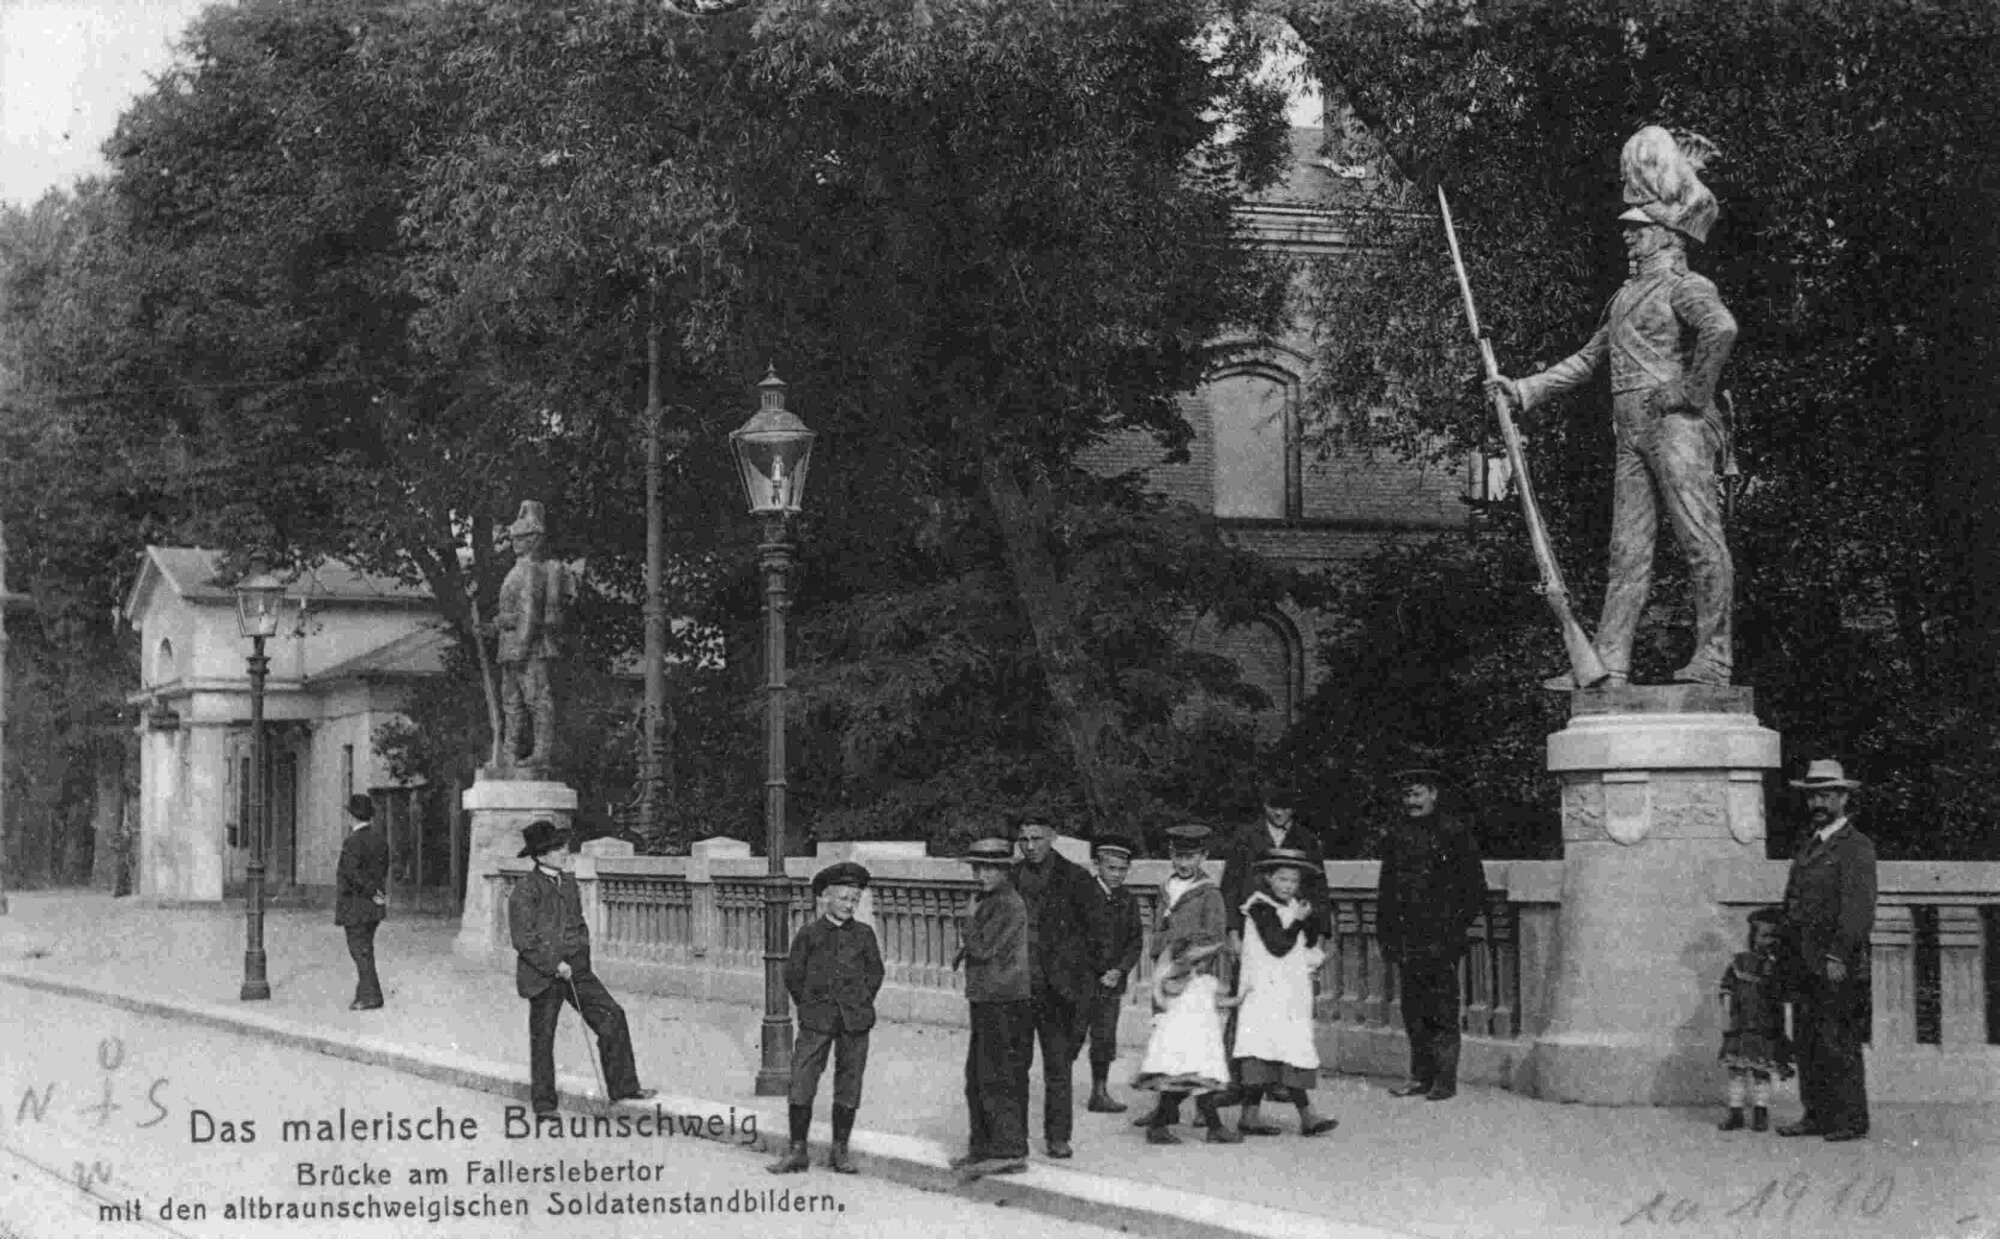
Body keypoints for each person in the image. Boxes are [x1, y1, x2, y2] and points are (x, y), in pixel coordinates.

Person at [1489, 126, 1738, 690]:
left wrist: (1692, 392)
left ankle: (1715, 656)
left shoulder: (1686, 286)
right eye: (1630, 232)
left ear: (1668, 236)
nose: (1629, 240)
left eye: (1640, 231)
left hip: (1677, 428)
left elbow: (1721, 329)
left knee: (1700, 542)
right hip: (1630, 431)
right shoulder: (1624, 297)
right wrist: (1523, 390)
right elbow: (1586, 359)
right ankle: (1608, 662)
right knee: (1626, 553)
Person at [508, 819, 657, 1116]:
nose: (565, 851)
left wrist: (578, 959)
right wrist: (554, 964)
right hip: (542, 975)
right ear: (540, 856)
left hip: (576, 970)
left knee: (612, 1015)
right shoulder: (525, 891)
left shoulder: (569, 882)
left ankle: (624, 1087)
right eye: (557, 848)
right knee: (543, 1037)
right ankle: (544, 1104)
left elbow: (577, 924)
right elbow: (524, 940)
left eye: (563, 846)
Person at [1777, 760, 1877, 1142]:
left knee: (1840, 1039)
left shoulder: (1856, 846)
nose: (1817, 802)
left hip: (1837, 963)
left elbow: (1858, 910)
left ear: (1843, 798)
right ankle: (1815, 1115)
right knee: (1807, 1039)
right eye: (1812, 796)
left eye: (1826, 795)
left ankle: (1850, 1120)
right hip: (1802, 960)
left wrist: (1838, 955)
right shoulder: (1809, 845)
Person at [1376, 767, 1487, 1101]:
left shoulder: (1454, 833)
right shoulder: (1397, 835)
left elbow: (1474, 888)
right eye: (1408, 795)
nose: (1412, 801)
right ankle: (1419, 1076)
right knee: (1414, 1010)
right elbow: (1387, 889)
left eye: (1418, 794)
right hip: (1407, 938)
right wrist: (1387, 936)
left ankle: (1444, 1080)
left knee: (1442, 1009)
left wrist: (1453, 928)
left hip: (1441, 939)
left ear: (1433, 794)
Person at [769, 862, 884, 1175]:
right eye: (843, 898)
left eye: (854, 900)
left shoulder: (864, 934)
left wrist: (858, 1003)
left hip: (855, 1020)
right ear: (826, 898)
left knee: (850, 1082)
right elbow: (793, 975)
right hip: (817, 1019)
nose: (848, 905)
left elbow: (875, 974)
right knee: (802, 1079)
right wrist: (810, 1007)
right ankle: (797, 1151)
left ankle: (840, 1151)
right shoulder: (810, 934)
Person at [1134, 824, 1243, 1145]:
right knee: (1181, 1050)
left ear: (1204, 857)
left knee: (1194, 1051)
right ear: (1171, 856)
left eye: (1191, 857)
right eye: (1179, 857)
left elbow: (1215, 937)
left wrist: (1185, 958)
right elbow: (1157, 932)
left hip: (1193, 981)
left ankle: (1184, 1119)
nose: (1184, 864)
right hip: (1167, 979)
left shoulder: (1209, 893)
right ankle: (1194, 1121)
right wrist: (1163, 955)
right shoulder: (1166, 888)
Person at [1011, 817, 1108, 1159]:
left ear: (1053, 837)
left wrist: (1079, 979)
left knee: (1058, 1067)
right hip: (1019, 990)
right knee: (1014, 1067)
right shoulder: (1011, 877)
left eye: (1037, 837)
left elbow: (1097, 934)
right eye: (1023, 839)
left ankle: (1058, 1137)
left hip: (1058, 992)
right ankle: (1014, 1137)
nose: (1030, 845)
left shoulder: (1076, 878)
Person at [1232, 849, 1338, 1137]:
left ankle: (1303, 1116)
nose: (1288, 886)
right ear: (1268, 878)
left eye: (1293, 880)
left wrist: (1314, 956)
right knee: (1262, 1052)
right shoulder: (1259, 906)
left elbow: (1296, 950)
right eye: (1282, 879)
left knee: (1290, 1048)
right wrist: (1301, 920)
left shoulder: (1295, 905)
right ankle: (1264, 1115)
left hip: (1288, 992)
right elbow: (1278, 943)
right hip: (1264, 991)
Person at [953, 837, 1034, 1179]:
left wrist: (969, 922)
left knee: (997, 1075)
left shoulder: (1007, 904)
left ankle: (1008, 1149)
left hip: (1004, 1001)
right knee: (978, 1075)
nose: (980, 874)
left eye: (989, 868)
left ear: (1004, 870)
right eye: (977, 867)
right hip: (990, 998)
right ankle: (983, 1146)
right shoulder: (993, 899)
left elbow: (984, 949)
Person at [493, 500, 574, 772]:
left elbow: (529, 614)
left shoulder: (529, 571)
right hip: (511, 646)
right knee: (511, 703)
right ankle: (508, 755)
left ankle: (541, 754)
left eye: (523, 537)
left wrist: (520, 647)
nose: (516, 541)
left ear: (536, 539)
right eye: (515, 536)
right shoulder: (518, 569)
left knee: (536, 701)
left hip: (527, 648)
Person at [1717, 907, 1795, 1133]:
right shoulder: (1740, 962)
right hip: (1741, 1025)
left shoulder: (1780, 966)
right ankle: (1736, 1112)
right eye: (1764, 935)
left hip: (1766, 1026)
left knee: (1762, 1071)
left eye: (1774, 936)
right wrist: (1728, 1014)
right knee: (1737, 1071)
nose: (1769, 941)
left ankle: (1761, 1112)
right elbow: (1727, 989)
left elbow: (1785, 997)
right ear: (1753, 937)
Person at [1085, 835, 1143, 1114]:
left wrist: (1119, 970)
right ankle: (1056, 1088)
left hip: (1111, 983)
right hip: (1081, 981)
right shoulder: (1082, 896)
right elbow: (1072, 938)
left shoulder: (1128, 900)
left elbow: (1135, 941)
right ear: (1097, 865)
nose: (1117, 875)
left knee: (1104, 1037)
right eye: (1112, 868)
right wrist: (1096, 970)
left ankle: (1099, 1091)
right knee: (1069, 1037)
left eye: (1123, 869)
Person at [332, 793, 388, 1011]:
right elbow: (383, 870)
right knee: (365, 949)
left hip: (356, 905)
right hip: (374, 905)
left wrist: (369, 891)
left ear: (352, 817)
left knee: (359, 950)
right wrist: (378, 893)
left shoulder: (353, 842)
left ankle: (370, 996)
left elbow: (352, 875)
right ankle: (366, 992)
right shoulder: (379, 839)